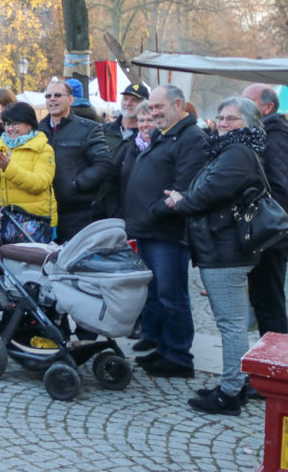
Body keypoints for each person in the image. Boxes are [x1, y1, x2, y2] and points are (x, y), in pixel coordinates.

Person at [163, 97, 267, 415]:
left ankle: (230, 393)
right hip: (223, 247)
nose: (223, 123)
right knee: (233, 322)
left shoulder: (237, 152)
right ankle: (232, 382)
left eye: (232, 119)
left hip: (226, 250)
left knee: (231, 324)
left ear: (248, 123)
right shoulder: (230, 148)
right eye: (220, 118)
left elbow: (209, 193)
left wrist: (182, 201)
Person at [124, 85, 207, 378]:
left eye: (159, 107)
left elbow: (184, 188)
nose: (154, 112)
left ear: (179, 105)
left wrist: (154, 209)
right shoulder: (164, 135)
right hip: (149, 229)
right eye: (152, 107)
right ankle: (163, 348)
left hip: (168, 232)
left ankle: (179, 357)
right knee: (157, 294)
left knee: (172, 296)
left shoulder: (191, 138)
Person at [242, 84, 288, 337]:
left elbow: (282, 190)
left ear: (267, 107)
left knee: (268, 300)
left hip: (275, 231)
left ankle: (273, 364)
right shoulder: (262, 133)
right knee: (262, 297)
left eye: (248, 100)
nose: (241, 104)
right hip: (269, 229)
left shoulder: (276, 138)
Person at [37, 79, 112, 242]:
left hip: (76, 214)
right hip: (43, 212)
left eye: (58, 95)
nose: (52, 99)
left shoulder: (89, 129)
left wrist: (76, 183)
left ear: (71, 99)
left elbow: (104, 164)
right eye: (48, 96)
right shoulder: (37, 130)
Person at [0, 101, 57, 234]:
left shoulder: (43, 148)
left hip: (34, 222)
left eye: (15, 124)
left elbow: (39, 183)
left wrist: (9, 168)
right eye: (7, 124)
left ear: (29, 124)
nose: (10, 128)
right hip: (0, 221)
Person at [101, 83, 150, 217]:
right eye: (126, 99)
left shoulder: (145, 138)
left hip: (127, 204)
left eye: (134, 100)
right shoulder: (103, 130)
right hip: (100, 200)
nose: (128, 103)